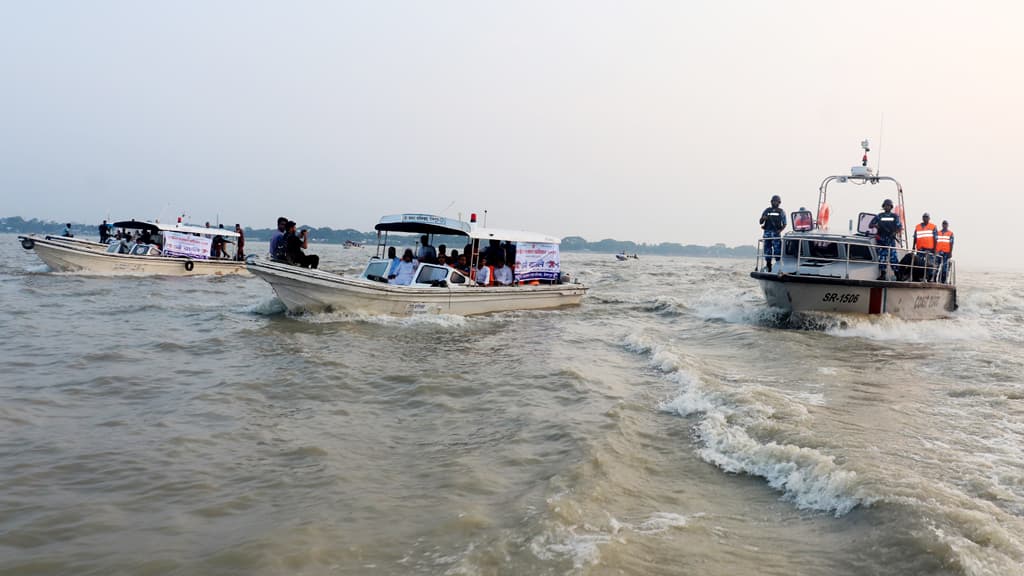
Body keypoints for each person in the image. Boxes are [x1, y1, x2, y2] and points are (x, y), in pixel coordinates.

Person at [870, 198, 903, 280]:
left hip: (890, 239)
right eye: (885, 205)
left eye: (888, 205)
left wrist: (894, 232)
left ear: (891, 207)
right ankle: (883, 274)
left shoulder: (895, 216)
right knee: (882, 257)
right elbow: (870, 224)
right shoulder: (879, 216)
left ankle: (897, 274)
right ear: (883, 206)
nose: (887, 207)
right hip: (882, 239)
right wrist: (877, 226)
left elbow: (899, 227)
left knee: (893, 258)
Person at [759, 195, 786, 271]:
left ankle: (778, 266)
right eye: (773, 201)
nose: (774, 202)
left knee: (777, 250)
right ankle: (768, 265)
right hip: (767, 234)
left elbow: (784, 223)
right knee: (767, 250)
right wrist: (763, 218)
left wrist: (780, 231)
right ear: (771, 202)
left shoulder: (781, 212)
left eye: (776, 201)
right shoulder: (767, 210)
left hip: (776, 234)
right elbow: (760, 222)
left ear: (779, 202)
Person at [913, 213, 938, 281]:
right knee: (919, 264)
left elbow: (935, 239)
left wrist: (935, 249)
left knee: (930, 264)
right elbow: (915, 238)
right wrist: (913, 247)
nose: (925, 218)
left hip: (929, 249)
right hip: (920, 249)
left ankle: (929, 277)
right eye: (924, 217)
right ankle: (918, 277)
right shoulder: (917, 227)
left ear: (929, 218)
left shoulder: (933, 227)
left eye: (926, 217)